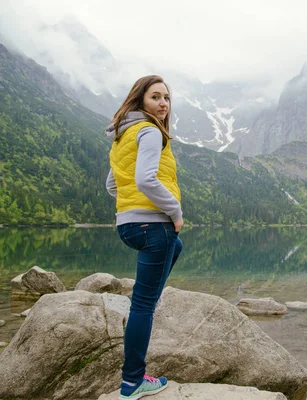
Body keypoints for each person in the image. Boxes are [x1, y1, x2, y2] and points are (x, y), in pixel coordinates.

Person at [105, 75, 183, 400]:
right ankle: (133, 382)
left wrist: (130, 210)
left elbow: (113, 185)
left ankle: (145, 305)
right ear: (141, 101)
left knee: (174, 248)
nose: (163, 103)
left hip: (129, 226)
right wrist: (175, 211)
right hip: (155, 225)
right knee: (143, 306)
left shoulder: (123, 136)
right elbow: (146, 180)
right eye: (155, 97)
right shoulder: (150, 131)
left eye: (166, 97)